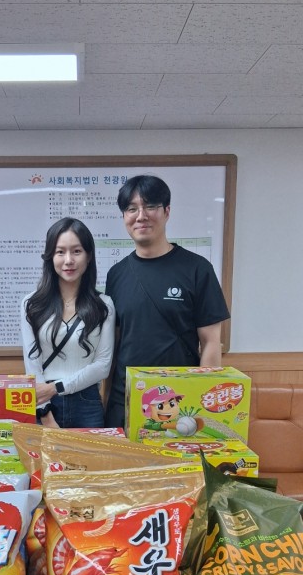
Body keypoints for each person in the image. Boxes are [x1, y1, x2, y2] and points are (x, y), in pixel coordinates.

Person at [104, 174, 230, 429]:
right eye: (132, 209)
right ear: (124, 216)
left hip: (177, 403)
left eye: (150, 206)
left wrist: (201, 400)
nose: (141, 216)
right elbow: (113, 344)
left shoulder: (197, 269)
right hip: (126, 400)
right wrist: (106, 400)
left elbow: (210, 342)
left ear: (167, 211)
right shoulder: (116, 274)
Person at [21, 217, 115, 428]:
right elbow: (32, 364)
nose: (68, 260)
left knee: (89, 453)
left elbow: (102, 366)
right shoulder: (31, 304)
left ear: (89, 256)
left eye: (77, 251)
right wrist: (45, 414)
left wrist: (56, 388)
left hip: (87, 404)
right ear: (50, 257)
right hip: (44, 404)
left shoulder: (104, 305)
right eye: (60, 252)